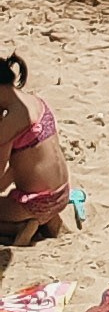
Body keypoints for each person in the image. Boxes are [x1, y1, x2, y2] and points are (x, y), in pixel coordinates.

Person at [0, 48, 72, 243]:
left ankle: (20, 226)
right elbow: (20, 167)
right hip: (61, 195)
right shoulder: (34, 102)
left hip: (37, 203)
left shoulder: (13, 119)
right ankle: (46, 222)